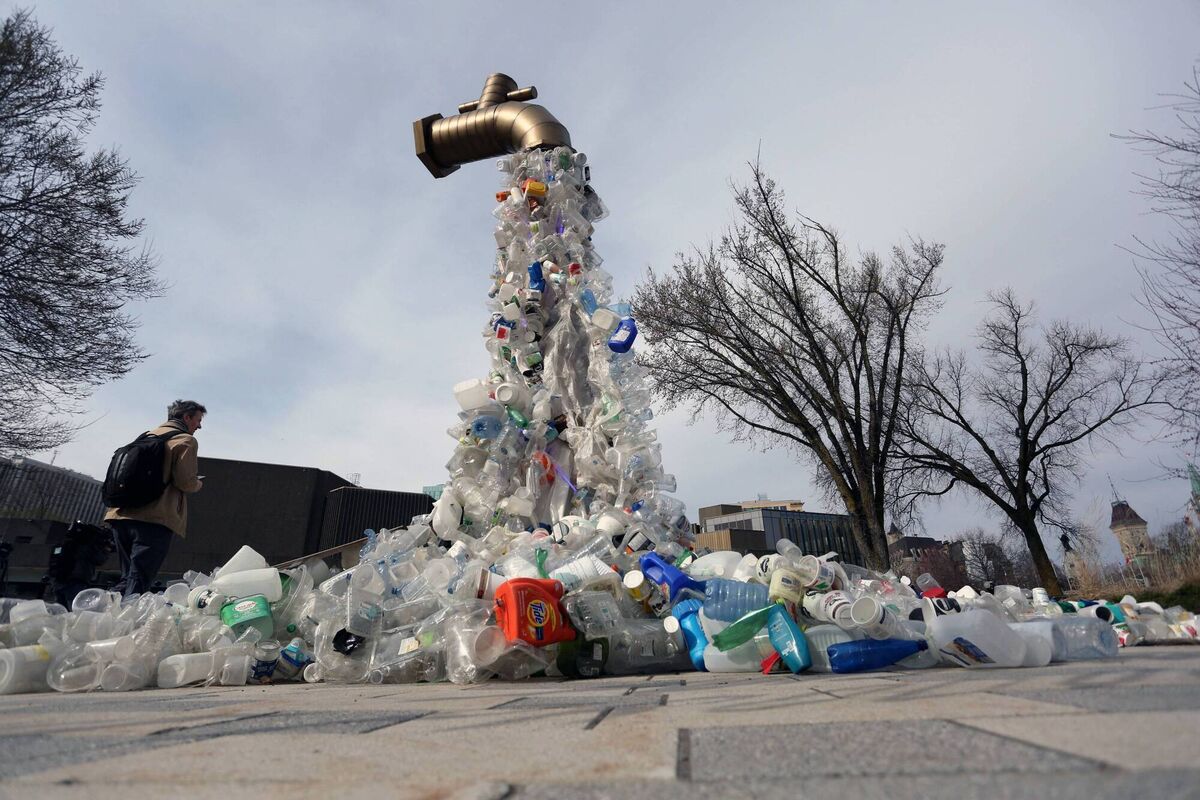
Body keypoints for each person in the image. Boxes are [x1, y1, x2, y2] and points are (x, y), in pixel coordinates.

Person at [105, 400, 205, 596]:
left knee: (128, 578)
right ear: (187, 417)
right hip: (154, 519)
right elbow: (185, 482)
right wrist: (198, 483)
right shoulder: (185, 440)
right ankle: (125, 622)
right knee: (139, 582)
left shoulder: (144, 437)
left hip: (119, 516)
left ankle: (107, 615)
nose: (199, 426)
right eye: (198, 420)